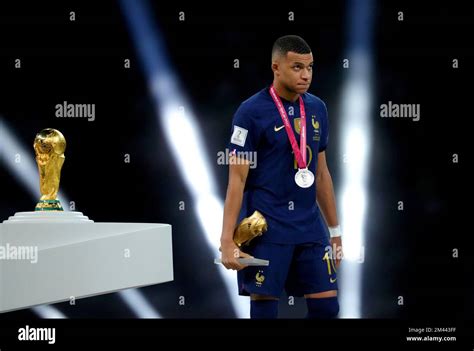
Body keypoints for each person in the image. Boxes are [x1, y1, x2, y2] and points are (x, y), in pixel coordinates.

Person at [220, 35, 343, 319]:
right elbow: (236, 181)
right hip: (266, 228)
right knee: (264, 313)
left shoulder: (317, 108)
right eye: (297, 67)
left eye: (310, 67)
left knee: (327, 308)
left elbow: (321, 174)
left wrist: (335, 232)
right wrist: (227, 240)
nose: (306, 75)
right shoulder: (250, 112)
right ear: (276, 67)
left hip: (310, 227)